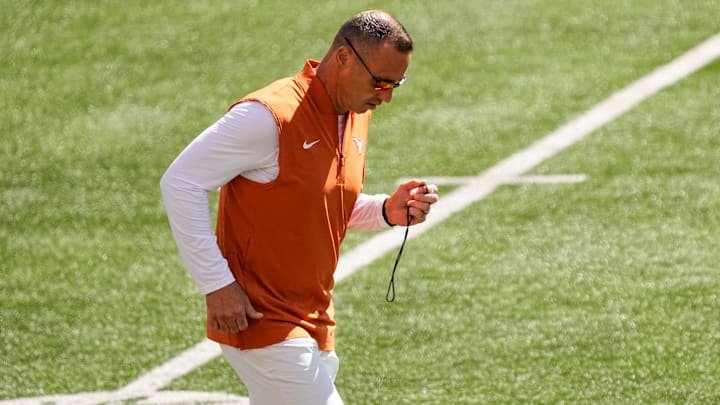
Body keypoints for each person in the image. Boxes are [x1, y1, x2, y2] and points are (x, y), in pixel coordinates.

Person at [160, 9, 438, 404]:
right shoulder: (267, 117)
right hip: (261, 319)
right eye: (380, 82)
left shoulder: (354, 115)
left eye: (397, 84)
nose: (387, 96)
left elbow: (317, 202)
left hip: (315, 318)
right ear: (343, 58)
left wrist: (385, 212)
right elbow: (180, 182)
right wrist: (216, 284)